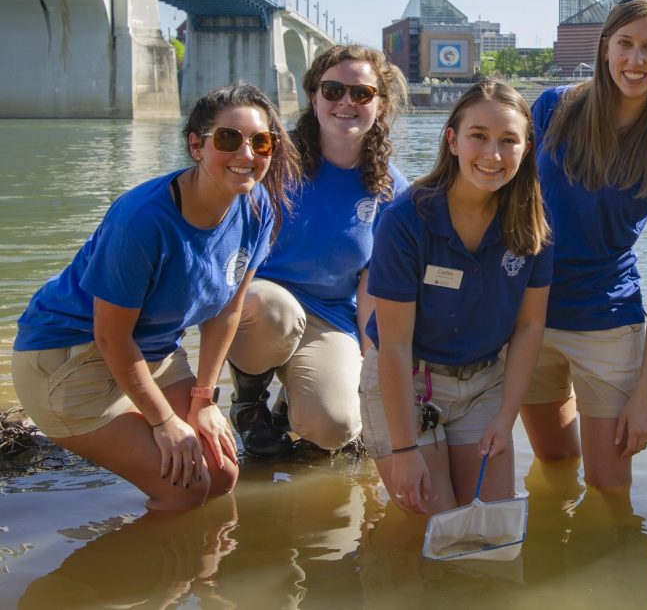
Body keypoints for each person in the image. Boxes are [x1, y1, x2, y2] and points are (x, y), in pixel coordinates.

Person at [10, 82, 299, 511]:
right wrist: (163, 421)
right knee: (184, 488)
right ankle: (141, 576)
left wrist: (203, 401)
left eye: (261, 142)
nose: (247, 155)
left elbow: (227, 312)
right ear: (196, 146)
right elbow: (110, 336)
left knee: (222, 473)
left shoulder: (258, 208)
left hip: (150, 351)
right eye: (228, 139)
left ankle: (192, 570)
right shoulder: (142, 220)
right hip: (69, 360)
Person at [520, 0, 647, 489]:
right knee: (553, 465)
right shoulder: (554, 108)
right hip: (531, 315)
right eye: (624, 43)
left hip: (606, 324)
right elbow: (505, 204)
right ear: (604, 47)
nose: (635, 60)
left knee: (609, 488)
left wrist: (645, 394)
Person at [359, 80, 552, 514]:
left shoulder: (532, 224)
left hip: (484, 385)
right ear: (452, 140)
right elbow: (391, 344)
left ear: (526, 149)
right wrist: (405, 449)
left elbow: (529, 326)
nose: (493, 155)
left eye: (508, 141)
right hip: (408, 383)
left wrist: (506, 416)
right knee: (437, 530)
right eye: (478, 137)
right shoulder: (405, 221)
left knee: (489, 534)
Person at [225, 45, 407, 458]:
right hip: (260, 306)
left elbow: (371, 285)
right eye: (333, 90)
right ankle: (249, 405)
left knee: (337, 426)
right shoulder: (271, 162)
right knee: (276, 312)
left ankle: (294, 404)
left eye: (361, 93)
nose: (346, 102)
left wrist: (369, 369)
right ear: (313, 97)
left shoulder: (390, 189)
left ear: (380, 104)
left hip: (330, 317)